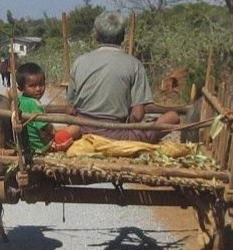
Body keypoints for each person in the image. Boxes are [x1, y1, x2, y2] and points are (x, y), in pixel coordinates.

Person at [67, 11, 180, 141]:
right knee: (173, 117)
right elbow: (137, 115)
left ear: (96, 36)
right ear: (122, 37)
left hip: (83, 131)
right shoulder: (134, 65)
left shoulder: (80, 62)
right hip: (118, 135)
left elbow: (70, 110)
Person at [14, 61, 75, 155]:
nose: (38, 89)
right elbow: (48, 130)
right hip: (44, 147)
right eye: (32, 86)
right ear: (21, 88)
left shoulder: (20, 100)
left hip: (31, 145)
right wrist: (55, 131)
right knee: (76, 129)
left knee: (63, 129)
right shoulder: (33, 104)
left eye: (41, 84)